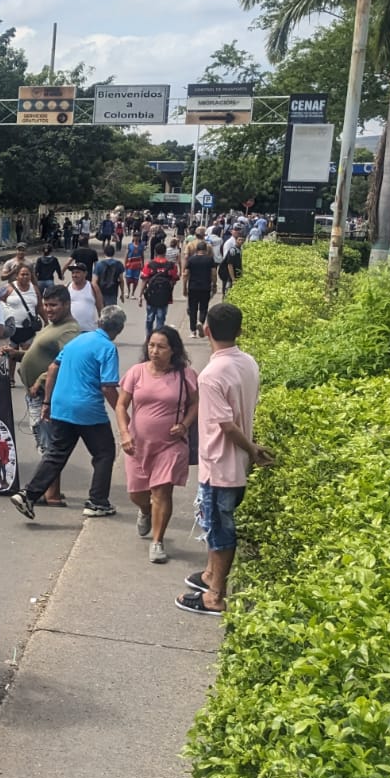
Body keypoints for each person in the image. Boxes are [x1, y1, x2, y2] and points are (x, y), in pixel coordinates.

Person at [178, 303, 273, 616]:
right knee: (216, 523)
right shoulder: (248, 362)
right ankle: (209, 575)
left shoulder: (211, 375)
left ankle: (215, 596)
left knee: (220, 529)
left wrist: (252, 449)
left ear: (206, 330)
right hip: (234, 465)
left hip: (220, 465)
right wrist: (250, 451)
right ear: (240, 331)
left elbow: (227, 426)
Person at [10, 304, 127, 520]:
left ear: (99, 321)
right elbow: (108, 387)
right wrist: (122, 411)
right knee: (104, 453)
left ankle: (28, 494)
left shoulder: (78, 340)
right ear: (119, 329)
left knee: (56, 453)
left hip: (61, 405)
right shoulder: (107, 348)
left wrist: (47, 402)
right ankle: (97, 501)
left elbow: (53, 368)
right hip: (87, 408)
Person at [115, 327, 199, 564]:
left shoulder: (185, 375)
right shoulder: (137, 372)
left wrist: (185, 425)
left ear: (173, 350)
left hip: (171, 445)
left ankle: (157, 541)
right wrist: (124, 433)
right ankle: (145, 510)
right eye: (151, 345)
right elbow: (121, 405)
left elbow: (195, 403)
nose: (154, 351)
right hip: (137, 444)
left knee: (162, 491)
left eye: (161, 347)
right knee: (136, 493)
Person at [15, 286, 80, 507]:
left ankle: (52, 494)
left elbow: (66, 361)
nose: (48, 309)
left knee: (49, 444)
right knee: (45, 442)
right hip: (36, 394)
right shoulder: (53, 326)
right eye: (46, 305)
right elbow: (41, 353)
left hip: (46, 394)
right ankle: (51, 491)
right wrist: (17, 355)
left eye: (54, 305)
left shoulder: (69, 331)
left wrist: (41, 380)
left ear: (67, 305)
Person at [141, 243, 179, 333]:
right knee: (161, 318)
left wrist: (140, 295)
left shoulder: (149, 264)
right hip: (165, 296)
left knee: (149, 318)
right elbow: (174, 279)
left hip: (151, 296)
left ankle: (149, 337)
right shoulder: (171, 265)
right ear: (165, 252)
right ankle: (158, 336)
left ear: (155, 252)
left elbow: (144, 280)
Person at [182, 240, 217, 333]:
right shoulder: (210, 260)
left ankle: (193, 330)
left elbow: (186, 274)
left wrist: (184, 287)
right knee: (203, 307)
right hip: (206, 287)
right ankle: (200, 322)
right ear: (206, 250)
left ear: (197, 250)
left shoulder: (191, 260)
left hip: (193, 287)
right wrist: (214, 285)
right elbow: (214, 274)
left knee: (192, 308)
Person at [65, 261, 101, 332]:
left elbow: (100, 308)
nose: (74, 275)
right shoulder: (67, 287)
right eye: (73, 273)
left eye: (77, 272)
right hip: (71, 331)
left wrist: (102, 327)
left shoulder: (93, 287)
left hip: (89, 330)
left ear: (85, 273)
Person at [92, 243, 125, 307]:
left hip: (101, 292)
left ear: (104, 253)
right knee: (111, 311)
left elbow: (94, 282)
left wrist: (95, 294)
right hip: (113, 292)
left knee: (102, 311)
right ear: (114, 253)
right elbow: (121, 280)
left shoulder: (99, 265)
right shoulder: (118, 264)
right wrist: (122, 293)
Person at [122, 235, 144, 302]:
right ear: (133, 237)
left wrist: (143, 265)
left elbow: (142, 256)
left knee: (135, 280)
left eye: (137, 236)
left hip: (137, 266)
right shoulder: (129, 245)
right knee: (128, 279)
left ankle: (133, 293)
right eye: (135, 236)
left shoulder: (141, 246)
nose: (136, 238)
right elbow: (126, 255)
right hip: (129, 265)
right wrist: (125, 264)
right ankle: (128, 291)